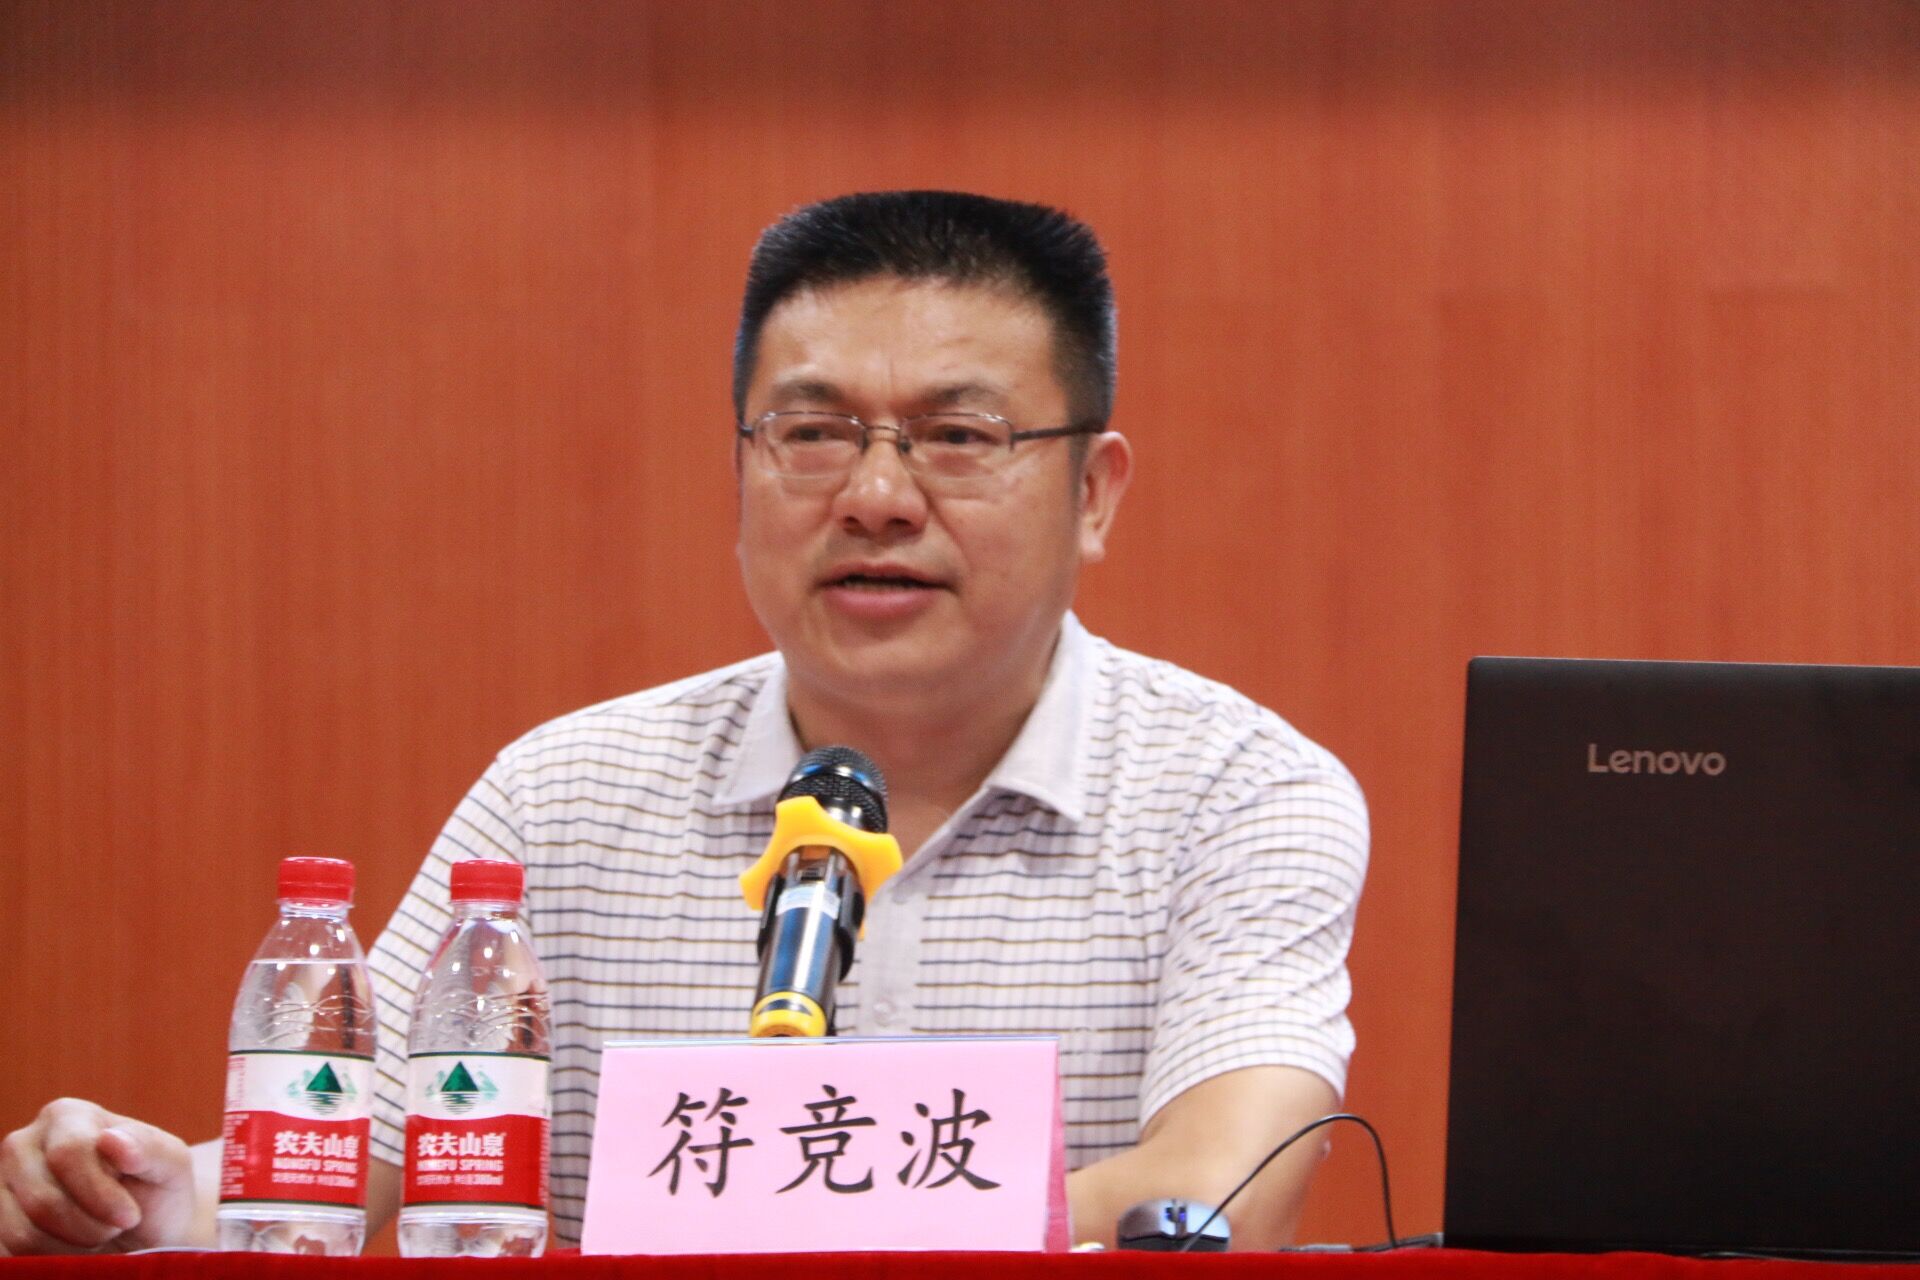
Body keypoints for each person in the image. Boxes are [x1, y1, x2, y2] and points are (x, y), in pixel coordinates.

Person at [0, 191, 1367, 1254]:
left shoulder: (1236, 795)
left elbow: (1216, 1191)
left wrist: (760, 1215)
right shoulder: (565, 797)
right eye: (813, 433)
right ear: (741, 468)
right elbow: (363, 1164)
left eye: (959, 437)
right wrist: (155, 1190)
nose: (877, 497)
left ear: (1094, 493)